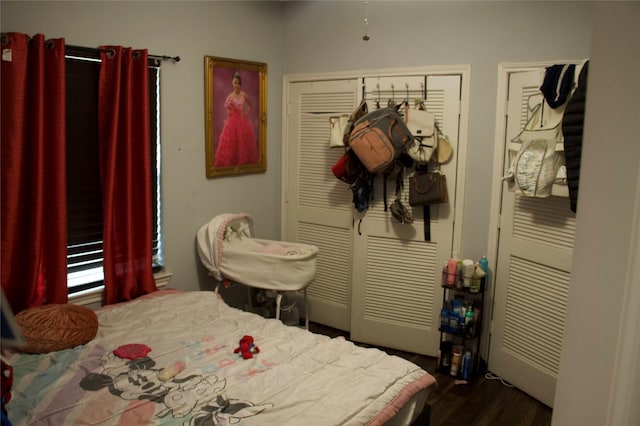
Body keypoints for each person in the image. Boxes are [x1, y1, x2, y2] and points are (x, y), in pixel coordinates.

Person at [214, 72, 259, 167]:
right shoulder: (230, 97)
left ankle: (243, 161)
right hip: (232, 122)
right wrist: (231, 111)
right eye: (235, 83)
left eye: (238, 83)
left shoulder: (244, 95)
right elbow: (227, 109)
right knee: (232, 142)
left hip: (243, 121)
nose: (237, 85)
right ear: (232, 83)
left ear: (240, 84)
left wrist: (247, 114)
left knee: (243, 142)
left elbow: (250, 106)